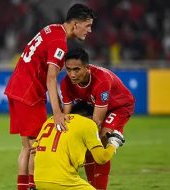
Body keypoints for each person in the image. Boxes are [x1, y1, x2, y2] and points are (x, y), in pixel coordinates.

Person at [4, 4, 96, 190]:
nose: (89, 30)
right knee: (37, 147)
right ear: (76, 24)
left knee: (27, 147)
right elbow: (51, 77)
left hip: (17, 88)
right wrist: (57, 113)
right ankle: (33, 187)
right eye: (87, 25)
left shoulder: (52, 29)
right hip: (29, 93)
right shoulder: (59, 42)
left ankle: (27, 188)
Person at [60, 48, 135, 190]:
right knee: (89, 143)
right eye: (68, 70)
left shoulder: (101, 80)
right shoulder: (66, 83)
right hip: (94, 107)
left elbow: (97, 122)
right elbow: (67, 115)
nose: (72, 74)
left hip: (119, 107)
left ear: (87, 68)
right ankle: (92, 186)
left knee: (99, 138)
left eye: (77, 70)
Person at [32, 102, 125, 190]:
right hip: (63, 181)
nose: (98, 125)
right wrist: (113, 143)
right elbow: (101, 158)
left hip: (39, 180)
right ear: (90, 116)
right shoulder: (88, 123)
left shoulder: (51, 120)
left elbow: (34, 150)